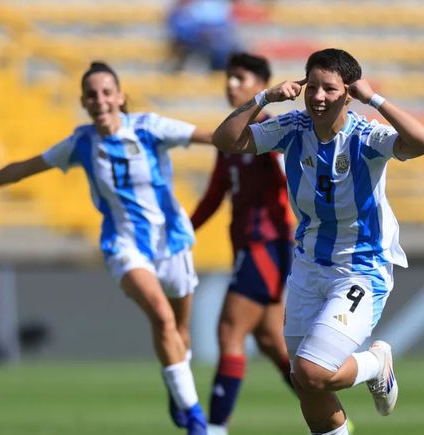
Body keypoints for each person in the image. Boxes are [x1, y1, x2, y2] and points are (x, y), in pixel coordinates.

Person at [0, 62, 211, 434]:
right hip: (124, 246)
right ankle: (196, 420)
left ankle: (178, 389)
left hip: (173, 241)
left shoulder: (150, 127)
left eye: (107, 93)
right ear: (83, 101)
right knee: (161, 317)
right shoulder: (81, 144)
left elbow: (214, 137)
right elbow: (23, 168)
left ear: (120, 96)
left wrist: (262, 121)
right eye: (92, 95)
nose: (100, 100)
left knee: (180, 332)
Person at [211, 48, 424, 434]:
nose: (317, 96)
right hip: (309, 265)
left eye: (329, 89)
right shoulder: (293, 127)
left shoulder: (365, 135)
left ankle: (376, 364)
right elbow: (227, 140)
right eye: (312, 86)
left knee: (316, 371)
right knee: (303, 379)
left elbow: (423, 141)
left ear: (348, 93)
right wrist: (264, 98)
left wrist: (374, 98)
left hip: (361, 269)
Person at [189, 53, 294, 433]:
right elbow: (216, 194)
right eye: (228, 78)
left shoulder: (273, 131)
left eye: (239, 78)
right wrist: (183, 231)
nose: (231, 85)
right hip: (249, 246)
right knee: (270, 341)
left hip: (267, 244)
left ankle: (214, 428)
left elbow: (292, 183)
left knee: (230, 330)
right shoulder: (229, 139)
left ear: (259, 85)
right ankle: (329, 415)